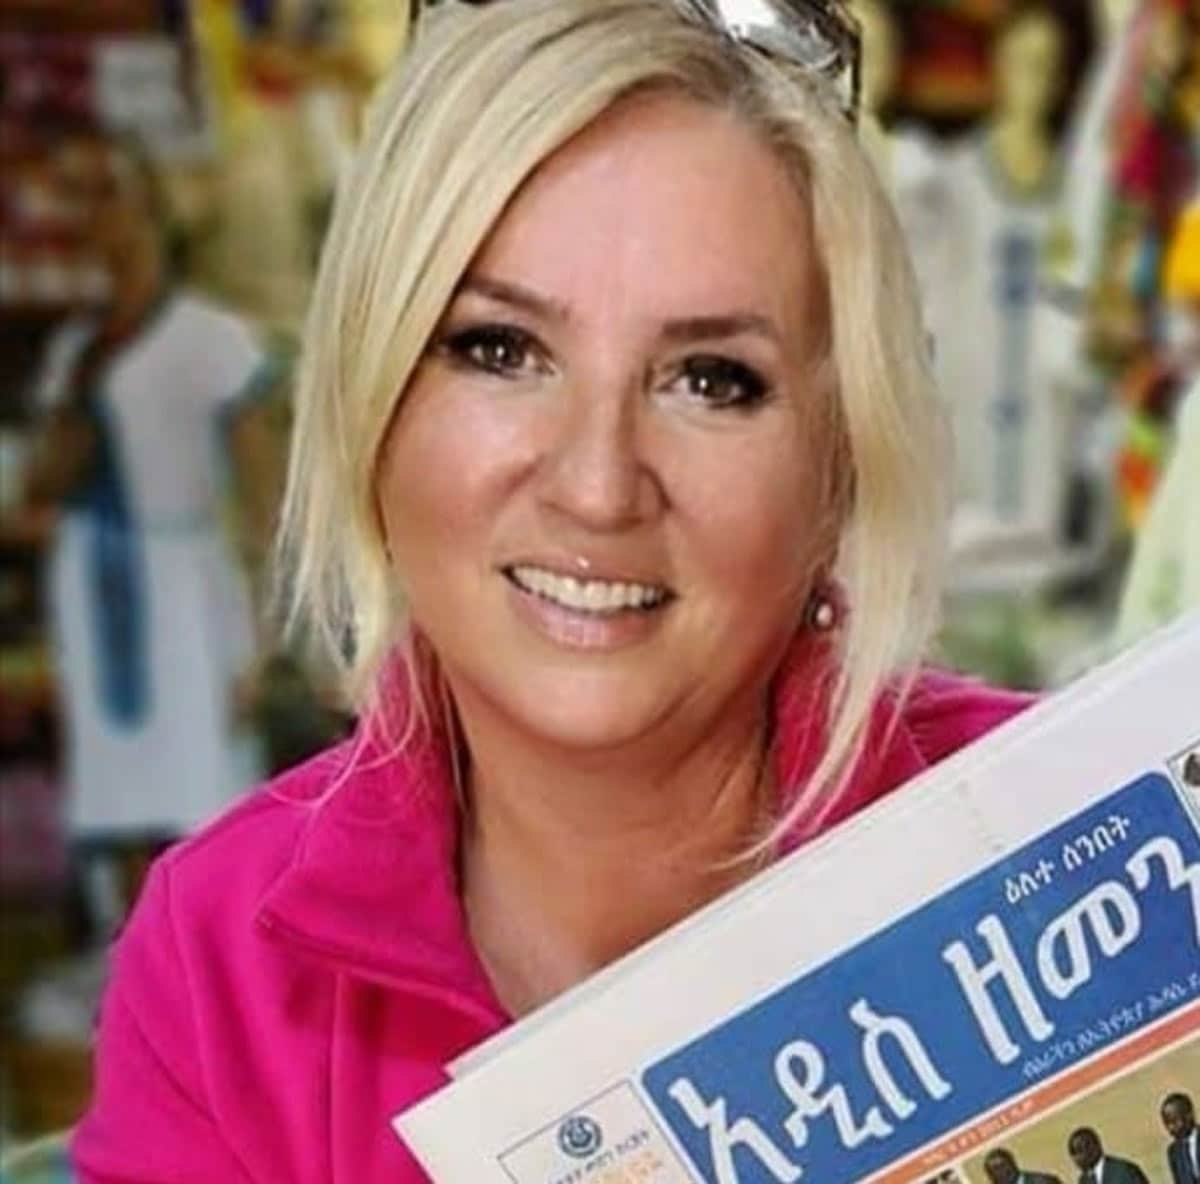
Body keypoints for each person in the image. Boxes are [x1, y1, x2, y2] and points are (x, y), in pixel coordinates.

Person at [71, 1, 1034, 1178]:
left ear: (839, 462)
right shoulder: (221, 963)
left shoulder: (1088, 827)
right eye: (501, 350)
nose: (596, 486)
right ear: (376, 400)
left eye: (712, 378)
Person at [23, 134, 272, 941]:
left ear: (156, 212)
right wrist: (80, 393)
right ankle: (141, 978)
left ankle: (217, 978)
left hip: (187, 590)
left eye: (117, 196)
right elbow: (41, 486)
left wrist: (260, 639)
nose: (105, 219)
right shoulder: (73, 353)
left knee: (204, 802)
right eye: (87, 203)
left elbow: (263, 503)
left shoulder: (213, 340)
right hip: (90, 593)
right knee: (121, 800)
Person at [1068, 1127, 1151, 1184]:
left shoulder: (1124, 1171)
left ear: (1093, 1148)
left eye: (1077, 1152)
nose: (1074, 1159)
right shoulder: (1084, 1180)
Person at [1162, 1092, 1200, 1184]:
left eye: (1173, 1122)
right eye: (1166, 1123)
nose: (1170, 1128)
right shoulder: (1174, 1151)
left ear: (1189, 1115)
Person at [985, 1146, 1064, 1184]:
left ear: (1013, 1164)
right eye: (993, 1171)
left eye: (1002, 1165)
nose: (1001, 1173)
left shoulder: (1044, 1182)